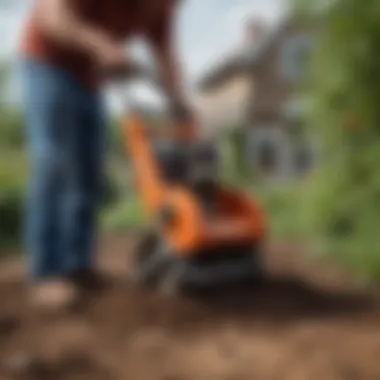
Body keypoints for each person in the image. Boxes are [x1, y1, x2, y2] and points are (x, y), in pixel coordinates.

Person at [19, 0, 192, 310]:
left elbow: (166, 56)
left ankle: (77, 265)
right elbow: (50, 13)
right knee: (55, 160)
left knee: (89, 170)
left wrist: (178, 102)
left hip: (90, 78)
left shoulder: (161, 10)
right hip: (46, 62)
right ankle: (46, 272)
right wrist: (99, 43)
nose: (170, 8)